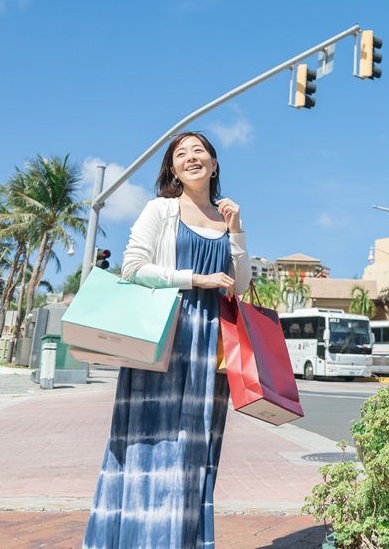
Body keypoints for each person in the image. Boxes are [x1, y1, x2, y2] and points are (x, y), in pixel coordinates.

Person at [83, 131, 251, 549]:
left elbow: (240, 287)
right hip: (163, 336)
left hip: (210, 347)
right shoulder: (161, 210)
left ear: (213, 164)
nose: (191, 157)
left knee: (195, 452)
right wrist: (194, 278)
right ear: (172, 169)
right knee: (148, 444)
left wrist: (237, 233)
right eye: (181, 153)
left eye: (200, 151)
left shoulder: (225, 217)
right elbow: (132, 267)